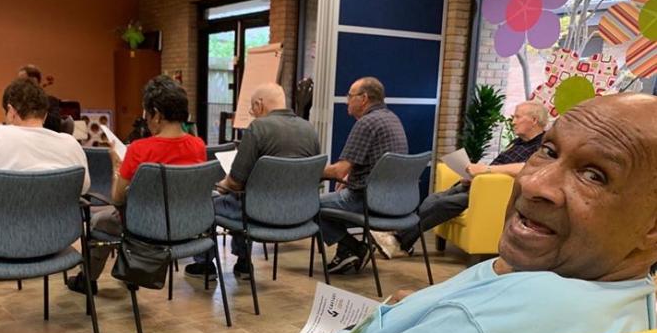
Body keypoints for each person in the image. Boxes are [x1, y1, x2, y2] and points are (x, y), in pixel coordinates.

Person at [67, 93, 657, 333]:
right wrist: (419, 309)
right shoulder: (625, 300)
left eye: (594, 174)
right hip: (332, 215)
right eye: (548, 151)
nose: (537, 183)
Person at [0, 78, 89, 319]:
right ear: (44, 112)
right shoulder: (70, 144)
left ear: (11, 110)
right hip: (54, 241)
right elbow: (82, 189)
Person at [66, 75, 205, 295]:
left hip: (144, 229)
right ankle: (131, 273)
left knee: (100, 221)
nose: (146, 120)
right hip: (186, 226)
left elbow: (118, 198)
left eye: (146, 114)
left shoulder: (139, 149)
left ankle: (87, 280)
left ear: (157, 115)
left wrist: (116, 166)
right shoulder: (198, 145)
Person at [372, 101, 548, 258]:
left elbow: (525, 168)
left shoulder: (542, 146)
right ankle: (404, 241)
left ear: (534, 120)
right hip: (480, 185)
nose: (513, 121)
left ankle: (397, 240)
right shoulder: (518, 142)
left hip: (493, 194)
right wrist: (476, 175)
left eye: (518, 117)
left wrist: (486, 170)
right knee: (434, 198)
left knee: (440, 205)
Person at [183, 83, 321, 280]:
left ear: (259, 104)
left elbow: (236, 182)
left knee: (208, 203)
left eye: (252, 108)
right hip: (300, 215)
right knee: (244, 198)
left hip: (260, 215)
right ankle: (243, 264)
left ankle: (205, 265)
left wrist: (220, 185)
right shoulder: (309, 129)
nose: (252, 113)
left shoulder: (258, 128)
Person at [319, 77, 408, 274]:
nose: (346, 101)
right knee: (334, 201)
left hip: (368, 201)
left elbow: (339, 170)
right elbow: (377, 164)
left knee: (309, 205)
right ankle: (346, 253)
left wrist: (307, 171)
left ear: (364, 98)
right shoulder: (392, 118)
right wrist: (352, 177)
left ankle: (354, 247)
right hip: (397, 201)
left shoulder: (367, 123)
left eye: (350, 96)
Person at [17, 64, 74, 134]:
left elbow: (56, 126)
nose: (18, 85)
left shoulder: (50, 101)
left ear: (34, 82)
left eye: (22, 81)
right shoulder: (18, 103)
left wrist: (37, 107)